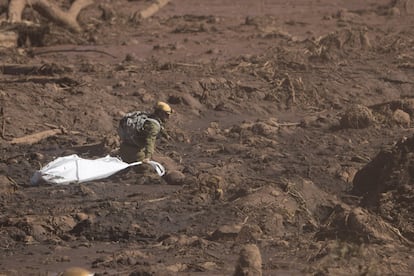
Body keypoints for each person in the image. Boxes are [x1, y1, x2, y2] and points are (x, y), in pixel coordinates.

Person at [118, 101, 172, 173]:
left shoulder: (147, 117)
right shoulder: (154, 126)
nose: (168, 117)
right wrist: (147, 157)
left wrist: (165, 135)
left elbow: (158, 126)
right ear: (160, 113)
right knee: (146, 170)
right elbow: (150, 142)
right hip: (136, 152)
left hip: (124, 147)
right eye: (166, 114)